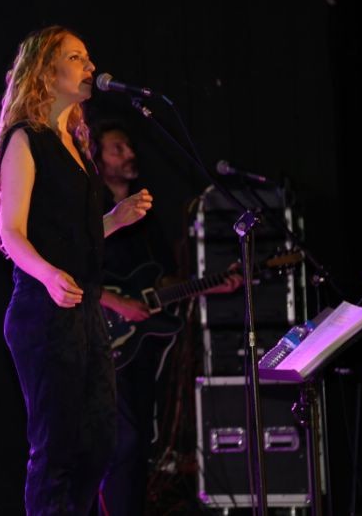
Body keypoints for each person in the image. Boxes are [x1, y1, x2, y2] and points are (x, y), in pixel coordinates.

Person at [0, 26, 154, 516]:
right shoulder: (25, 139)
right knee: (56, 449)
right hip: (43, 309)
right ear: (45, 71)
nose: (90, 66)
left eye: (87, 57)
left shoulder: (74, 144)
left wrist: (114, 220)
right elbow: (11, 231)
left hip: (84, 310)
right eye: (76, 57)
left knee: (99, 443)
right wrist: (49, 274)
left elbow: (71, 233)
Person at [92, 121, 243, 516]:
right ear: (96, 159)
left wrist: (210, 285)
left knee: (141, 440)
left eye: (129, 146)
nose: (129, 154)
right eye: (117, 148)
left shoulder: (145, 215)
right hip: (102, 339)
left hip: (139, 347)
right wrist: (118, 303)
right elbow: (70, 270)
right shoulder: (90, 210)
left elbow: (163, 280)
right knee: (123, 441)